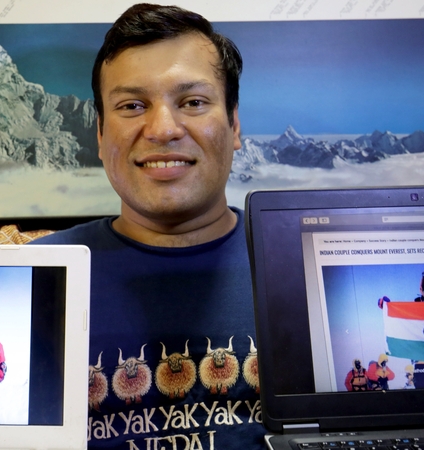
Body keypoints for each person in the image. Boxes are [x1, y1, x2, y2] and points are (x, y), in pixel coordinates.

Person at [30, 4, 264, 448]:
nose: (162, 129)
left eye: (193, 102)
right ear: (99, 134)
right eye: (132, 105)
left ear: (234, 124)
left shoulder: (303, 263)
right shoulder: (38, 276)